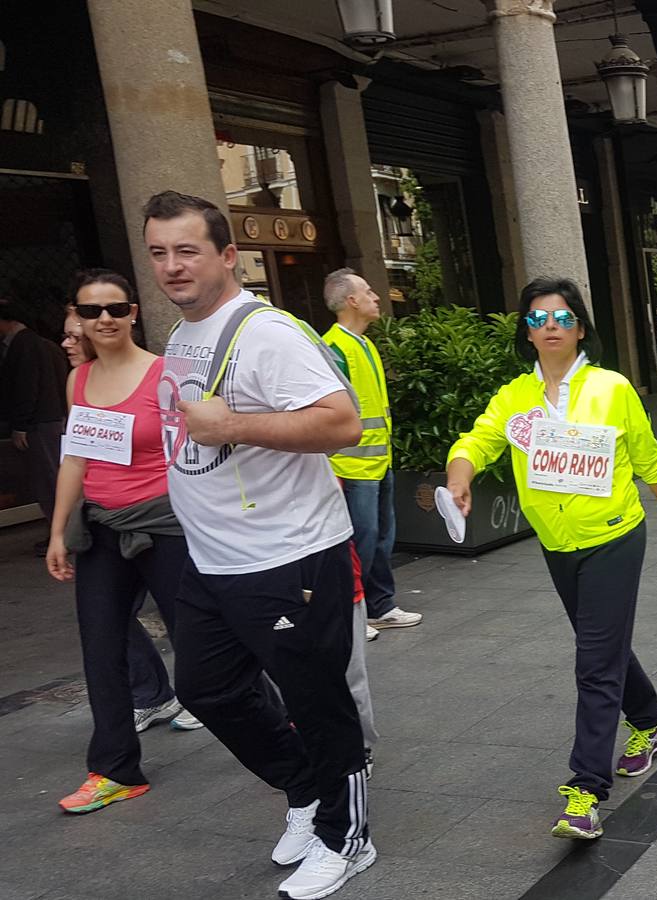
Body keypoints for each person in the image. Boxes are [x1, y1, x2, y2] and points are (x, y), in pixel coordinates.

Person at [144, 191, 373, 899]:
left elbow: (342, 424)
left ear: (226, 256)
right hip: (213, 560)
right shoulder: (183, 335)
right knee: (206, 688)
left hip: (289, 557)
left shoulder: (266, 334)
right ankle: (304, 791)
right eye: (158, 253)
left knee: (318, 699)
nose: (173, 267)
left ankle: (347, 837)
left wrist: (234, 426)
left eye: (188, 251)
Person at [445, 277, 657, 840]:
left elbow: (648, 458)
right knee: (603, 646)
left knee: (593, 660)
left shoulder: (612, 389)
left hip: (614, 536)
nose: (550, 326)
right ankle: (649, 724)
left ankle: (585, 790)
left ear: (580, 327)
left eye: (560, 317)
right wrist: (460, 474)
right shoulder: (515, 398)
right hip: (558, 545)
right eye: (537, 319)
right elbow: (478, 440)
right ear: (526, 333)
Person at [44, 270, 197, 814]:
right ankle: (115, 769)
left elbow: (193, 455)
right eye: (90, 311)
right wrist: (59, 530)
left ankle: (278, 716)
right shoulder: (79, 380)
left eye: (114, 308)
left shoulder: (165, 375)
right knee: (102, 646)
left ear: (133, 312)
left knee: (202, 640)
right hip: (103, 529)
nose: (103, 319)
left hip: (164, 525)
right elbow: (75, 460)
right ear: (78, 319)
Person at [320, 269, 422, 645]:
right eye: (368, 291)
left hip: (377, 463)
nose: (377, 296)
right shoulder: (334, 348)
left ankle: (381, 606)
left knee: (380, 539)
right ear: (351, 301)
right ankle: (352, 612)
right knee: (359, 544)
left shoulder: (362, 343)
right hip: (350, 466)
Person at [0, 294, 69, 553]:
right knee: (51, 476)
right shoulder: (37, 343)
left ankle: (60, 534)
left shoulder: (25, 344)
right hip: (48, 419)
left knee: (48, 479)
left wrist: (20, 424)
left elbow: (27, 387)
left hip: (40, 422)